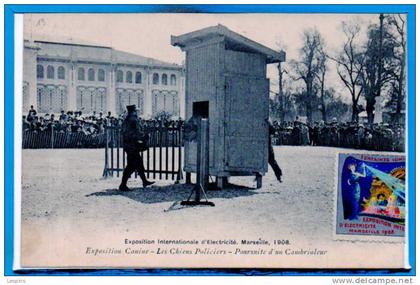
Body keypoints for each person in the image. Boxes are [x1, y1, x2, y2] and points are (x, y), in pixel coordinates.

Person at [119, 105, 154, 191]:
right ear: (132, 112)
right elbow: (136, 133)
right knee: (131, 166)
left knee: (139, 163)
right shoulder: (132, 120)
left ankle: (144, 181)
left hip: (129, 145)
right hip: (132, 146)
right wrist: (144, 137)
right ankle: (123, 185)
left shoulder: (126, 120)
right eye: (136, 111)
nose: (137, 112)